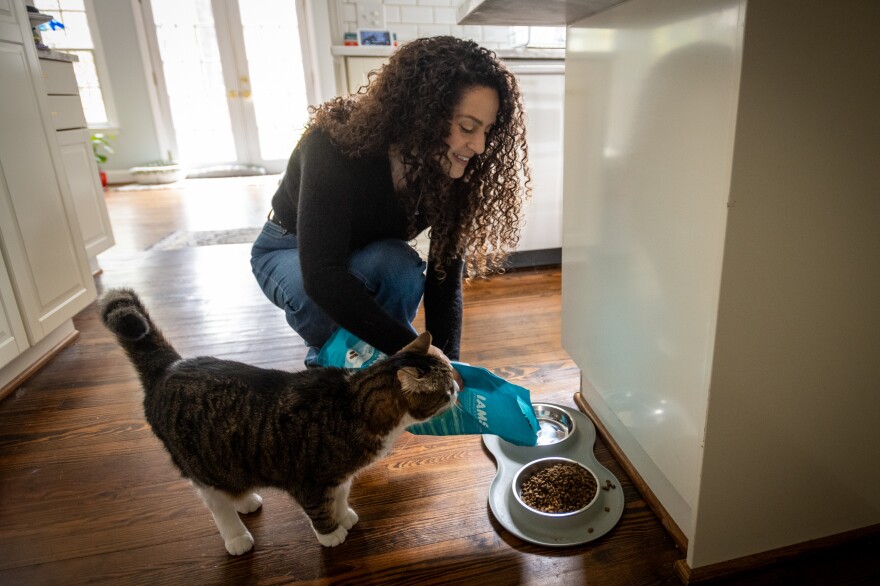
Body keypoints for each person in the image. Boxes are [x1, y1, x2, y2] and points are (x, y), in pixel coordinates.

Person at [250, 36, 530, 383]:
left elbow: (444, 284)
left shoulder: (452, 172)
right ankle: (332, 370)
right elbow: (322, 275)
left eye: (486, 131)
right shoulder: (333, 145)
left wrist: (446, 371)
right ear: (423, 114)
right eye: (467, 128)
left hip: (361, 253)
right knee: (321, 302)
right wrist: (415, 350)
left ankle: (382, 370)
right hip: (287, 248)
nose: (479, 145)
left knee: (400, 268)